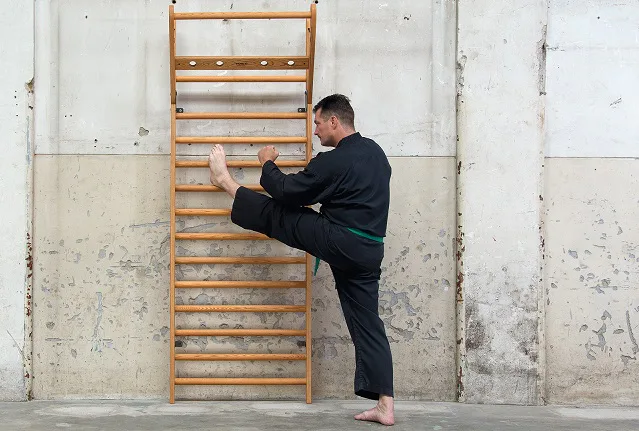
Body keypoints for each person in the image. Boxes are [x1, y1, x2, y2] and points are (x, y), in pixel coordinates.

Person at [208, 94, 395, 426]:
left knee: (284, 215)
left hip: (342, 240)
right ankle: (385, 406)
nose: (315, 131)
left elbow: (285, 191)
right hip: (370, 251)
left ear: (334, 121)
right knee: (368, 323)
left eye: (318, 123)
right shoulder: (377, 154)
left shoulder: (335, 161)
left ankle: (225, 181)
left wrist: (266, 162)